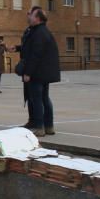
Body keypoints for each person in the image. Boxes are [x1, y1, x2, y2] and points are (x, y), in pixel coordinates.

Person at [20, 7, 61, 137]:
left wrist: (28, 73)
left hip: (38, 72)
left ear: (37, 18)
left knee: (36, 99)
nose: (28, 16)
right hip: (44, 72)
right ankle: (48, 126)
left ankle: (39, 126)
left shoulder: (39, 33)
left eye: (31, 14)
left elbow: (35, 54)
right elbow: (31, 48)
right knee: (43, 98)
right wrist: (17, 48)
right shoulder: (41, 31)